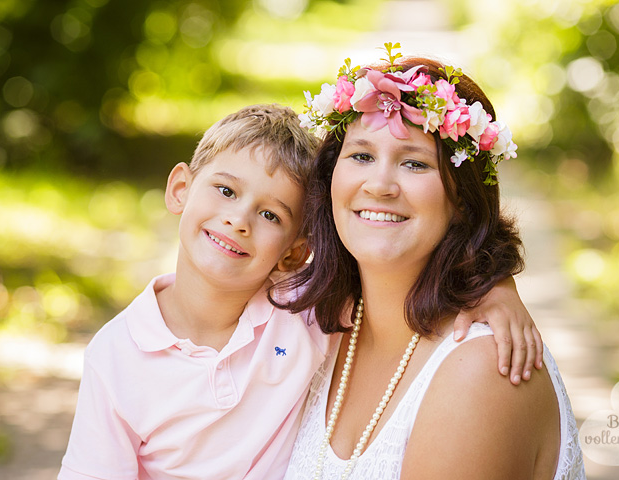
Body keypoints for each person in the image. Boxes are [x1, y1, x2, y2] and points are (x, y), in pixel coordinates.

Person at [58, 104, 542, 480]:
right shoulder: (116, 356)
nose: (238, 220)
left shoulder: (303, 307)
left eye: (271, 216)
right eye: (225, 191)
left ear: (294, 251)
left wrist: (496, 287)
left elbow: (405, 269)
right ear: (181, 188)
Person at [280, 46, 586, 479]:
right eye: (362, 156)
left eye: (414, 163)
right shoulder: (314, 329)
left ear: (461, 198)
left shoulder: (482, 370)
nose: (380, 185)